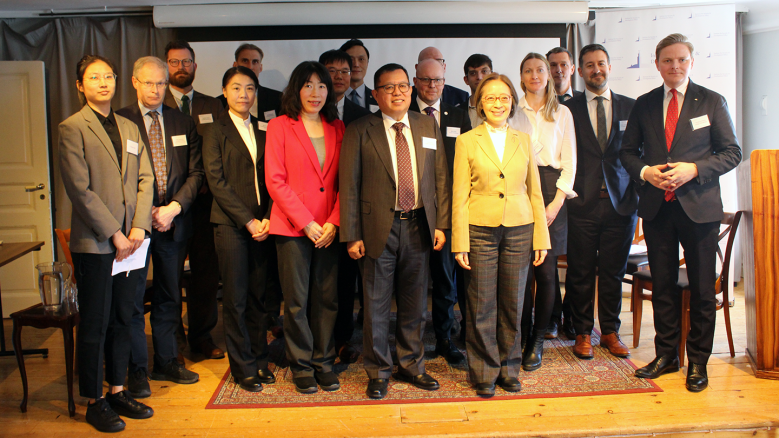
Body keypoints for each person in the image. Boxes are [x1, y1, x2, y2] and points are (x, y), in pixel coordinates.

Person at [621, 33, 741, 392]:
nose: (675, 66)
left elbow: (732, 152)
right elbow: (628, 153)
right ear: (658, 64)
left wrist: (694, 169)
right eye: (668, 60)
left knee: (702, 289)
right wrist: (646, 173)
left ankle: (698, 361)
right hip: (658, 209)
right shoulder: (644, 104)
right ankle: (667, 355)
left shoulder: (712, 101)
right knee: (664, 287)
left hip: (699, 210)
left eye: (682, 59)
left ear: (691, 62)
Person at [340, 63, 450, 400]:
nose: (398, 92)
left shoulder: (427, 124)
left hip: (419, 225)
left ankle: (411, 365)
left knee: (414, 302)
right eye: (389, 87)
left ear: (411, 89)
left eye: (403, 86)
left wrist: (441, 224)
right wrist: (352, 233)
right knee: (375, 305)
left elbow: (441, 177)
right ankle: (378, 371)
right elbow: (349, 185)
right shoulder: (360, 130)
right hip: (376, 228)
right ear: (376, 94)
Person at [59, 55, 155, 432]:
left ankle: (117, 390)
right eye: (94, 77)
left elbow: (145, 179)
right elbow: (79, 190)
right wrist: (115, 232)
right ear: (80, 86)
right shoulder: (72, 128)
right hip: (97, 244)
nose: (103, 82)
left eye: (109, 76)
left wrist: (139, 227)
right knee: (95, 323)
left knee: (123, 318)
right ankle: (93, 400)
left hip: (131, 242)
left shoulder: (129, 127)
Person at [452, 72, 550, 397]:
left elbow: (535, 191)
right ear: (480, 103)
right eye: (490, 97)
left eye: (504, 97)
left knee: (513, 302)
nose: (498, 103)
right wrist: (460, 242)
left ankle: (509, 368)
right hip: (479, 229)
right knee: (481, 303)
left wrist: (541, 238)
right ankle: (483, 371)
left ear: (512, 102)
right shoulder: (467, 140)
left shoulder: (524, 139)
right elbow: (459, 195)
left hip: (520, 229)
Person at [117, 56, 204, 398]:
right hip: (133, 227)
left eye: (161, 83)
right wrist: (145, 213)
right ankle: (136, 368)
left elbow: (196, 173)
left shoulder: (182, 121)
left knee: (169, 294)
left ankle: (166, 361)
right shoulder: (119, 120)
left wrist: (172, 208)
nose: (155, 89)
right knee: (132, 298)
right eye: (149, 82)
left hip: (173, 222)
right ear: (135, 82)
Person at [266, 61, 344, 393]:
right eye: (308, 85)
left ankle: (323, 362)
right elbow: (275, 180)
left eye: (322, 86)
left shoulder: (338, 127)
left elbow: (345, 182)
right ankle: (300, 364)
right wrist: (306, 222)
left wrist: (334, 222)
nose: (316, 93)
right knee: (296, 301)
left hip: (329, 228)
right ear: (296, 89)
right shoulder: (280, 126)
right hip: (293, 227)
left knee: (327, 299)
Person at [202, 66, 277, 393]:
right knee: (235, 298)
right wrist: (248, 220)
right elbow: (216, 182)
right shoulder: (214, 130)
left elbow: (275, 176)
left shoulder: (265, 127)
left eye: (249, 88)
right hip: (232, 225)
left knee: (260, 296)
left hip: (264, 224)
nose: (243, 94)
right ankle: (242, 366)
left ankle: (259, 358)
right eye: (236, 88)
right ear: (224, 91)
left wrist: (269, 217)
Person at [563, 44, 637, 361]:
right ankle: (582, 332)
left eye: (601, 63)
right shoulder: (568, 109)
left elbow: (640, 154)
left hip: (622, 206)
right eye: (590, 65)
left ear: (609, 66)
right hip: (582, 205)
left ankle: (609, 332)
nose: (597, 69)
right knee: (580, 272)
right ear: (580, 71)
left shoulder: (631, 107)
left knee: (613, 273)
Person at [510, 53, 576, 371]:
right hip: (519, 186)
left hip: (552, 190)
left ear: (548, 75)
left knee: (546, 271)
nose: (534, 75)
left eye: (540, 70)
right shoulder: (512, 111)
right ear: (521, 76)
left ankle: (537, 340)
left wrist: (556, 203)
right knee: (521, 272)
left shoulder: (562, 112)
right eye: (528, 70)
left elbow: (570, 162)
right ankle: (521, 337)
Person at [163, 40, 226, 362]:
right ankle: (173, 341)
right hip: (170, 208)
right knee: (170, 276)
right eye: (174, 62)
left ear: (195, 66)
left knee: (205, 275)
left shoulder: (212, 105)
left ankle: (202, 337)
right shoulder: (157, 105)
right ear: (166, 67)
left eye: (186, 62)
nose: (181, 67)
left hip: (205, 206)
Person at [410, 58, 471, 363]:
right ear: (415, 82)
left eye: (437, 80)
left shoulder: (457, 115)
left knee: (446, 280)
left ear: (445, 82)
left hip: (447, 210)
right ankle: (410, 343)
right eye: (425, 79)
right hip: (413, 210)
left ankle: (444, 339)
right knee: (413, 282)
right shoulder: (404, 113)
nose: (432, 85)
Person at [319, 49, 370, 363]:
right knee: (320, 282)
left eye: (344, 71)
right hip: (315, 210)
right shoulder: (311, 109)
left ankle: (342, 338)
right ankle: (318, 339)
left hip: (350, 209)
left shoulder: (361, 114)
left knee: (346, 279)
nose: (339, 76)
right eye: (332, 70)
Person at [217, 43, 283, 122]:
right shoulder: (218, 103)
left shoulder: (277, 98)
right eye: (245, 61)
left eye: (255, 62)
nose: (250, 67)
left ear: (260, 67)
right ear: (235, 65)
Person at [339, 39, 378, 110]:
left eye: (361, 59)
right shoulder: (330, 98)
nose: (356, 64)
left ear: (367, 63)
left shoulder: (378, 98)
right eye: (351, 59)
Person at [462, 54, 493, 129]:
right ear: (466, 80)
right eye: (473, 73)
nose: (479, 77)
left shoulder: (502, 109)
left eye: (484, 71)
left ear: (492, 76)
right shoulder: (456, 112)